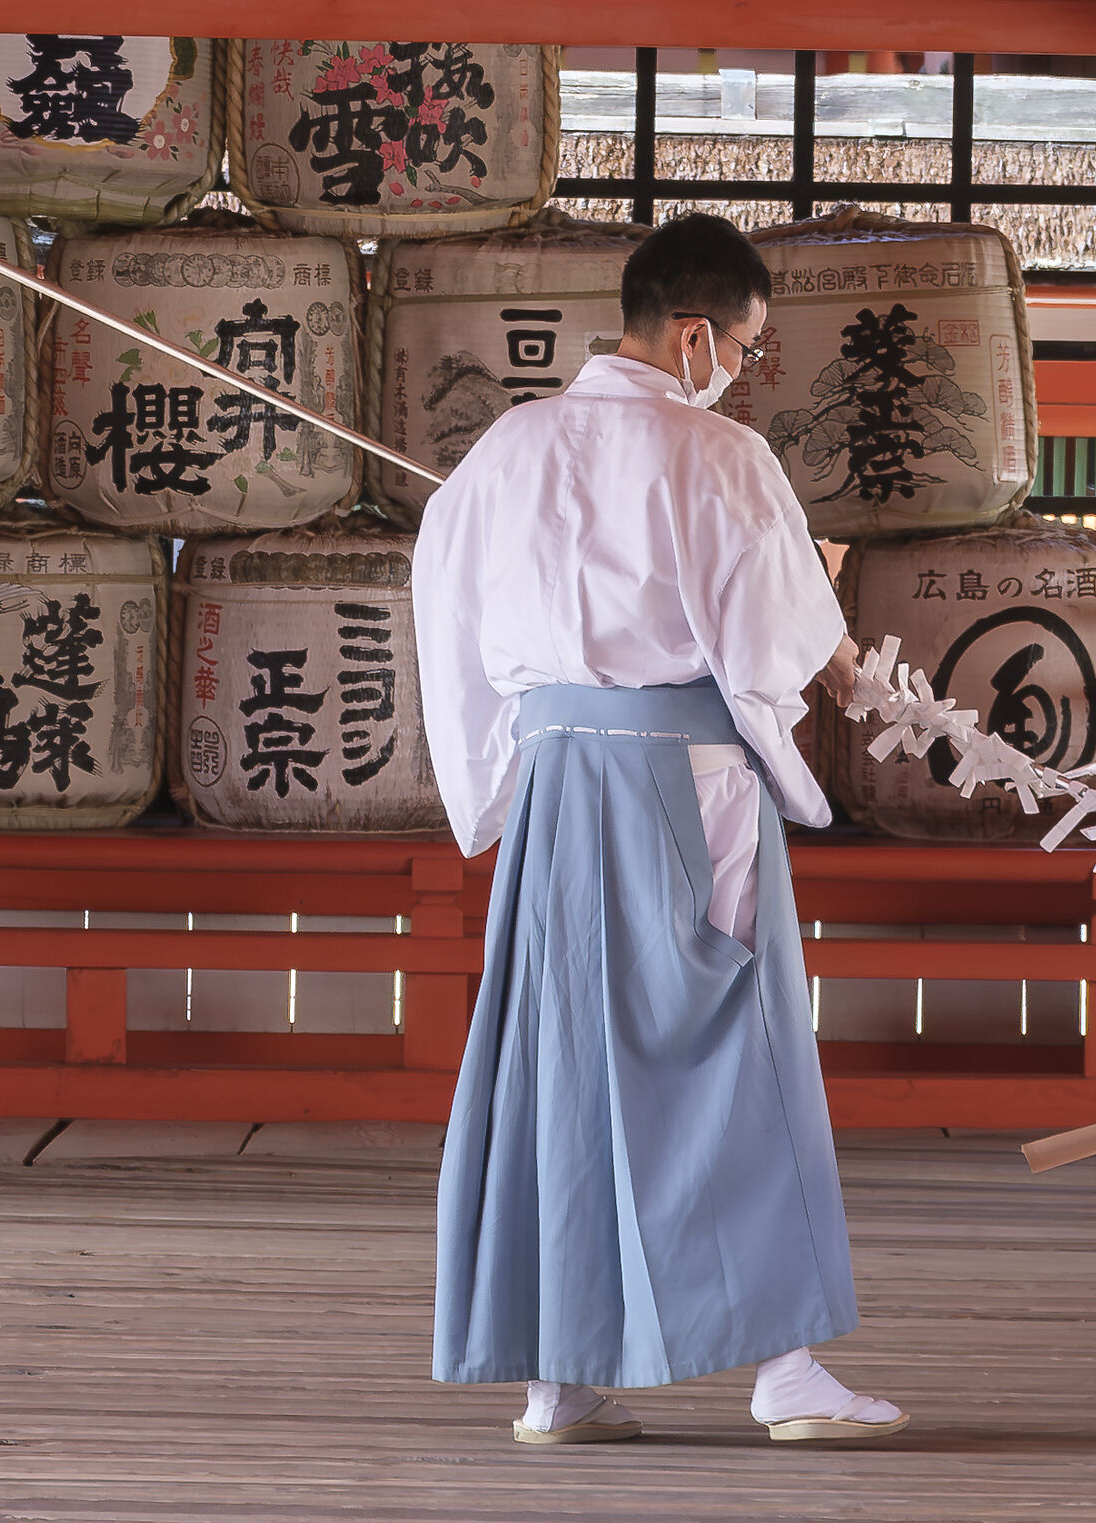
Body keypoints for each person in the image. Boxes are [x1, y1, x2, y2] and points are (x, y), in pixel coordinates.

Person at [414, 212, 909, 1447]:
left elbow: (446, 613)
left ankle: (557, 1376)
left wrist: (493, 777)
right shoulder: (721, 458)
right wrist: (820, 604)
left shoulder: (507, 449)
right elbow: (784, 648)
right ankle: (783, 1368)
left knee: (560, 1054)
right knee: (729, 1041)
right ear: (694, 335)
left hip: (553, 776)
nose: (738, 367)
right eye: (739, 345)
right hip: (681, 776)